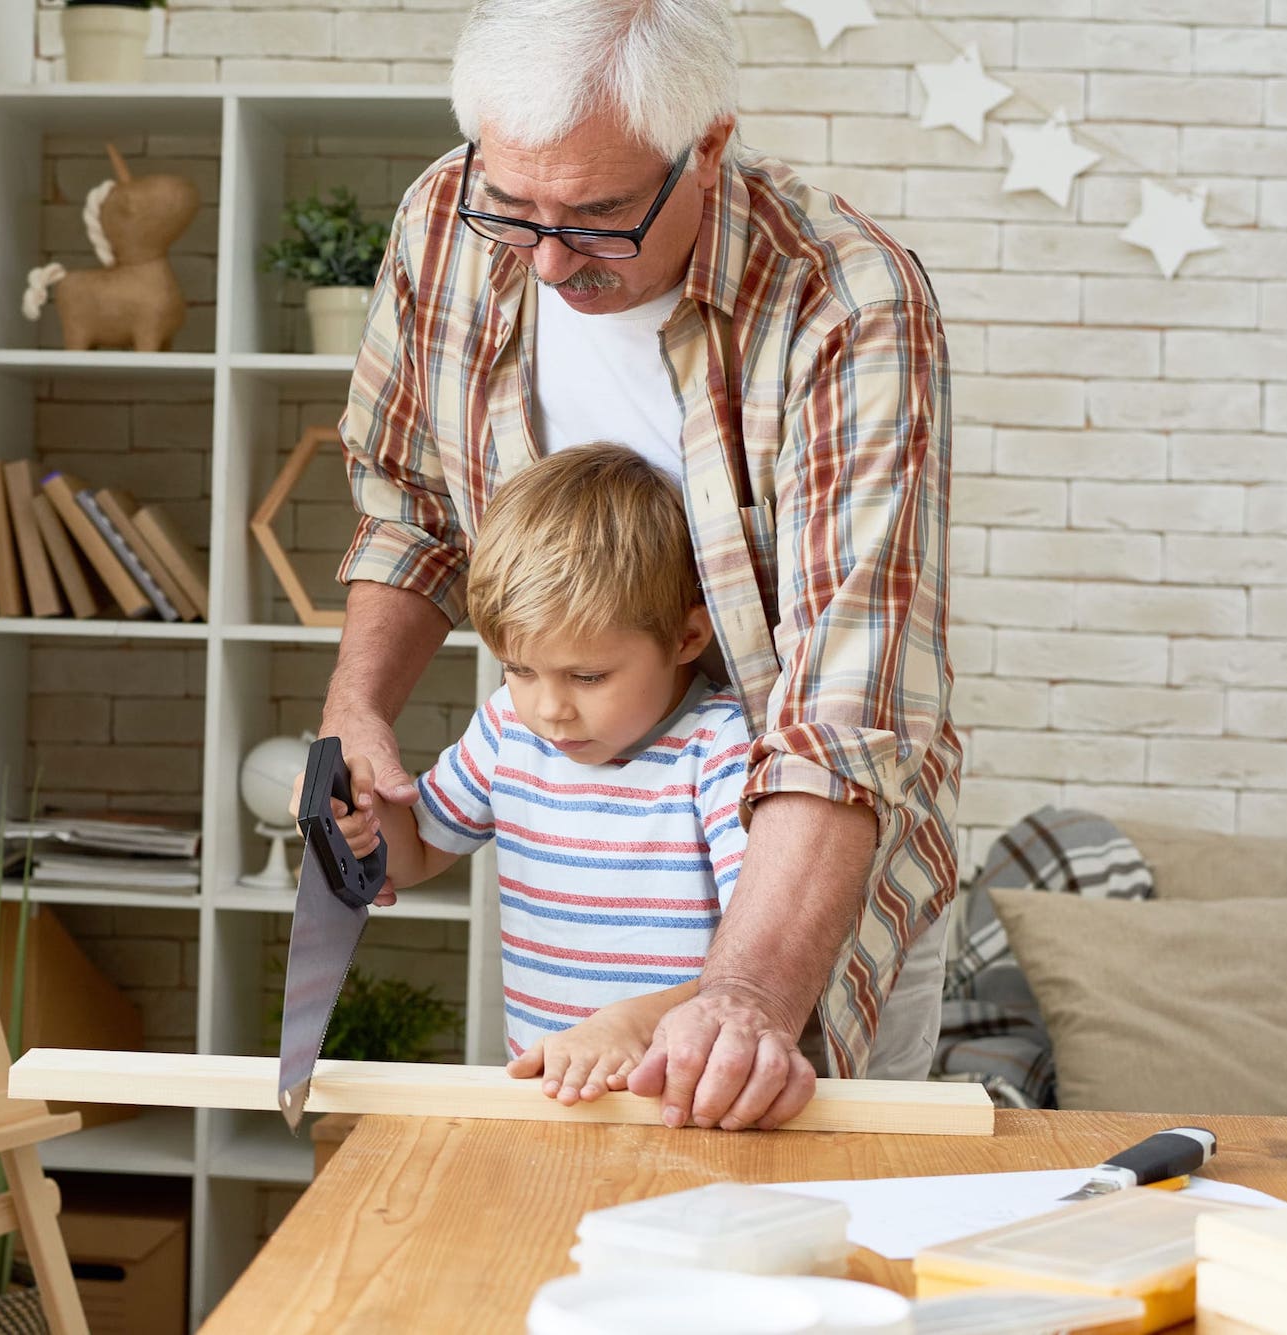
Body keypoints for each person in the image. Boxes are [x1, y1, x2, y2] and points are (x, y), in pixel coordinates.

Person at [319, 0, 962, 1133]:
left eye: (601, 215)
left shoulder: (844, 303)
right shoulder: (444, 217)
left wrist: (743, 994)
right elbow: (409, 505)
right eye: (513, 210)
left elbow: (842, 709)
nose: (551, 260)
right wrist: (357, 713)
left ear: (705, 145)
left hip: (803, 883)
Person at [334, 445, 769, 1112]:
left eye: (587, 676)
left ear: (686, 637)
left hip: (682, 1105)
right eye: (521, 667)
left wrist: (631, 1023)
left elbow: (760, 954)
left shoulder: (718, 745)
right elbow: (416, 851)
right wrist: (363, 820)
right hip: (549, 1099)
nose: (550, 707)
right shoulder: (511, 724)